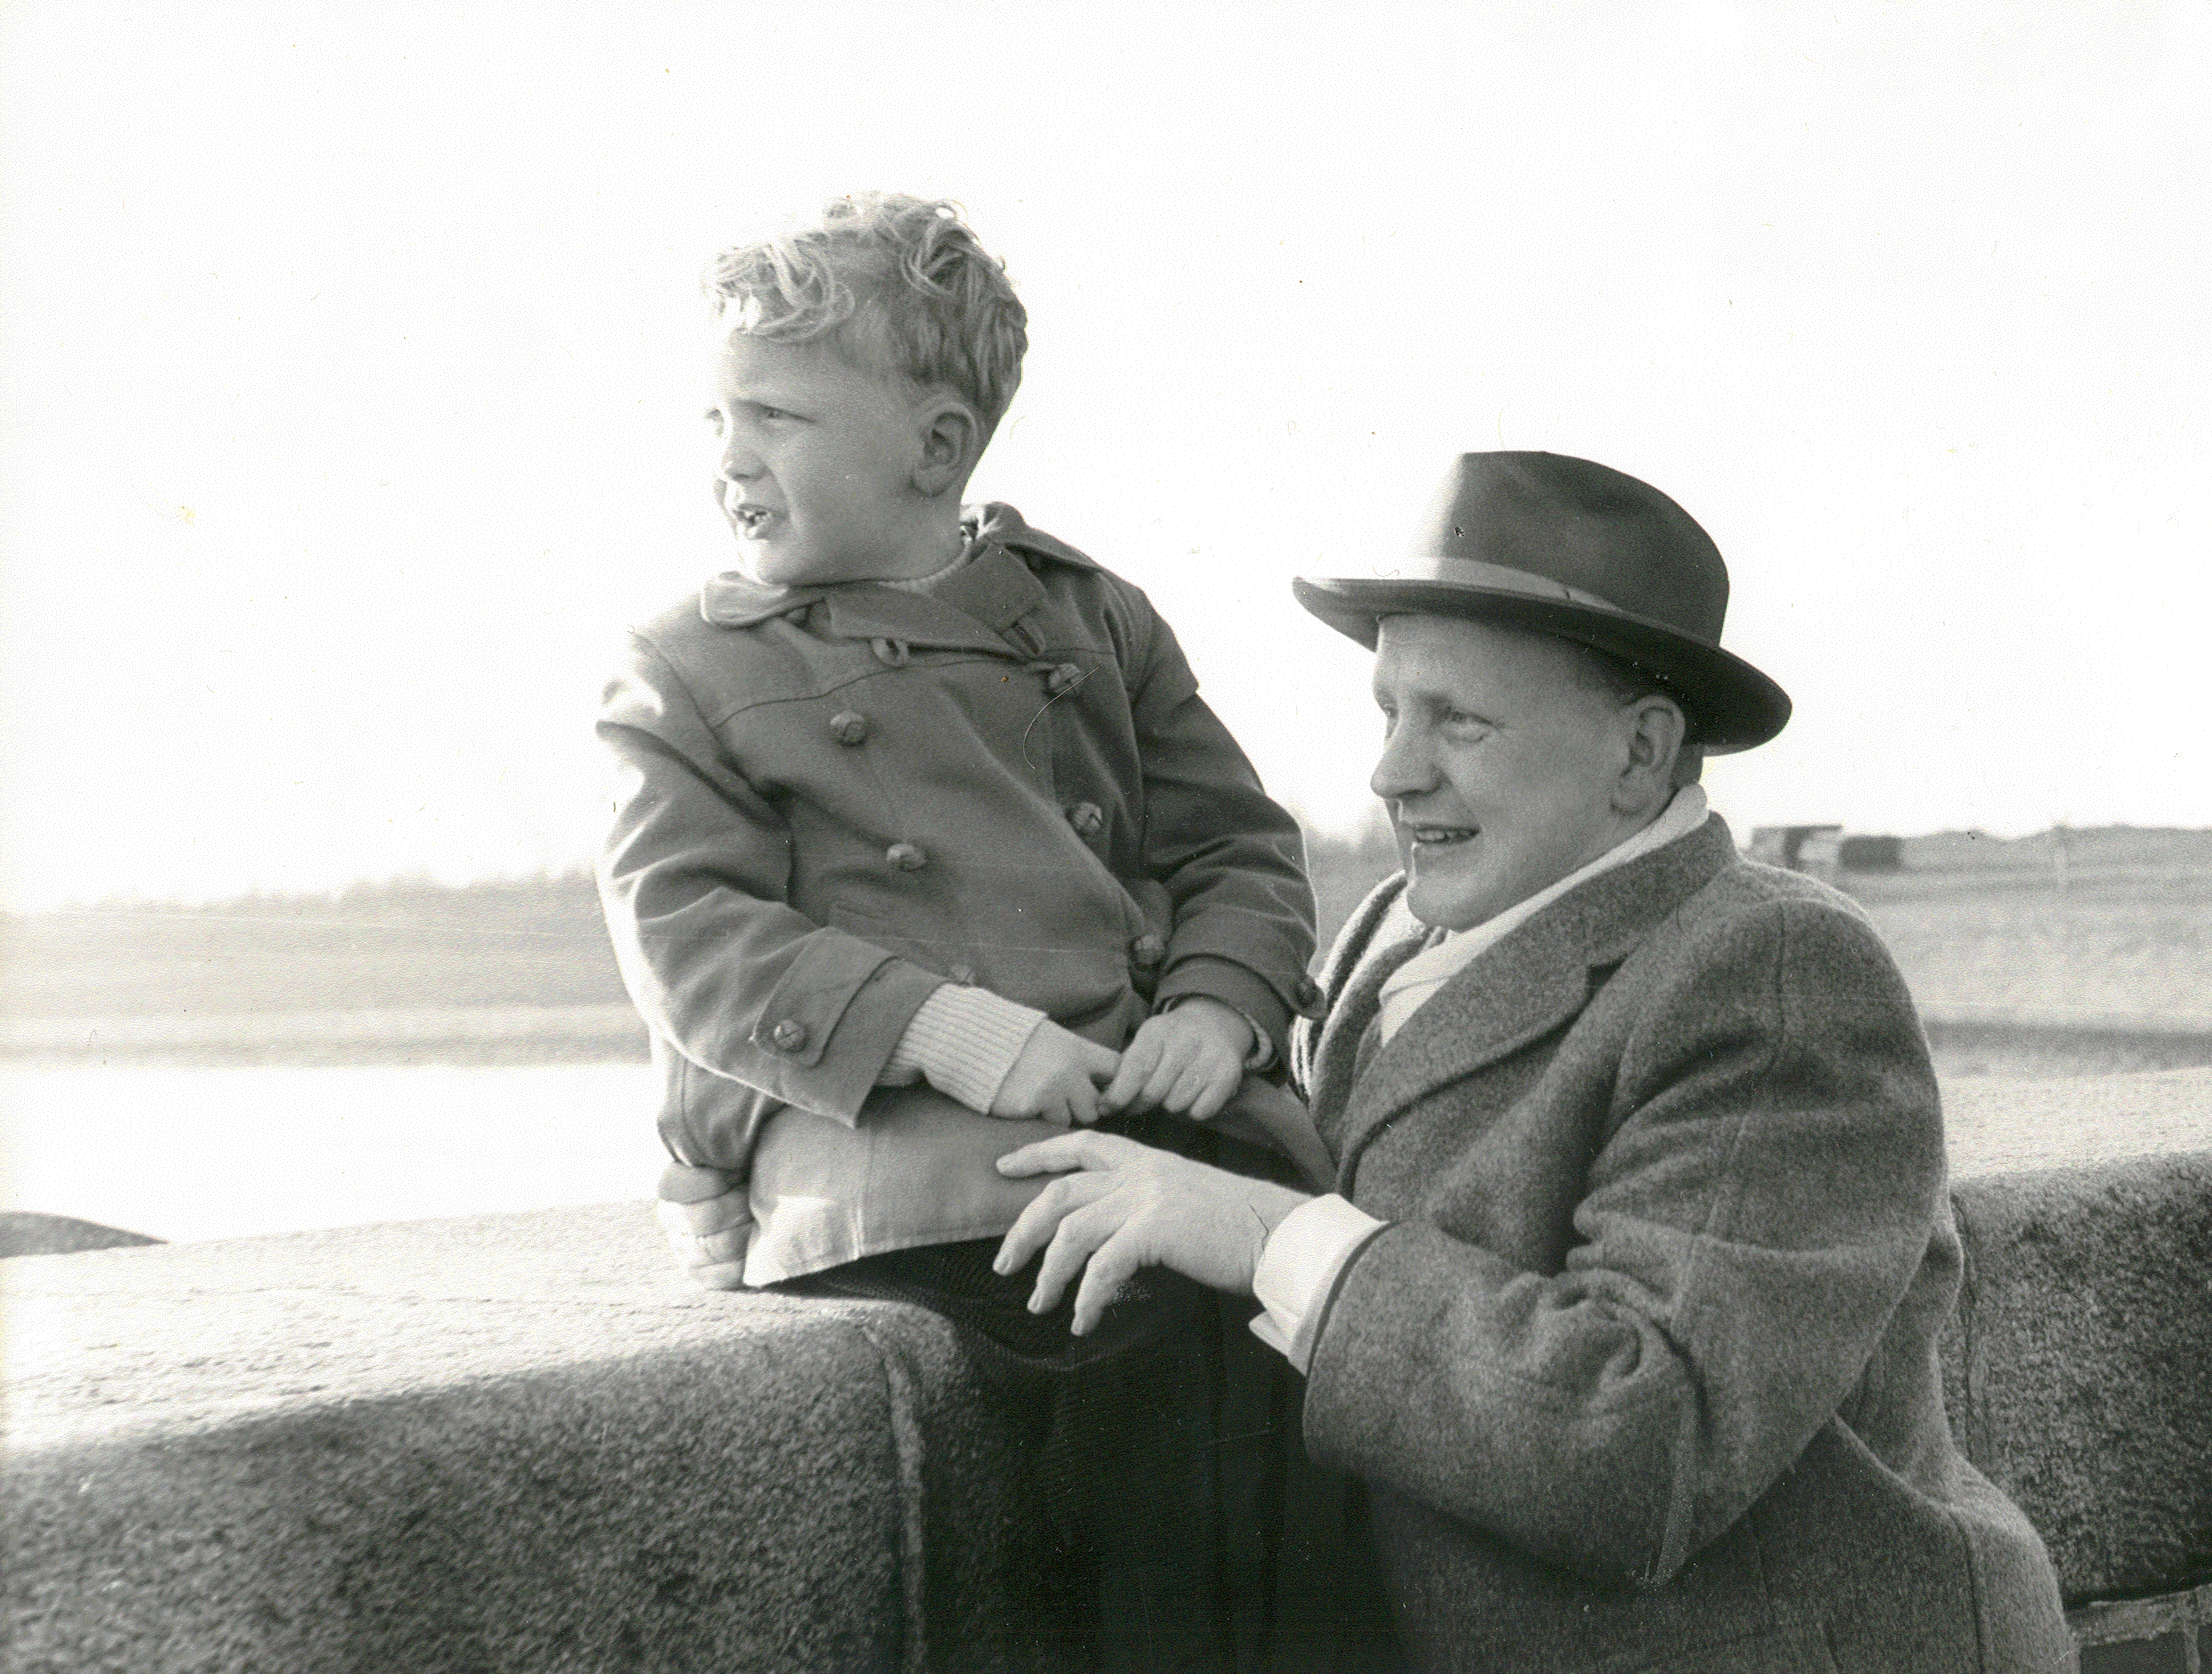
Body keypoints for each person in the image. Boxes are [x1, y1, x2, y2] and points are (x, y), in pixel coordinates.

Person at [996, 452, 2073, 1672]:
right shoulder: (1392, 933)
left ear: (1641, 753)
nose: (1392, 771)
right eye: (1389, 711)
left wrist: (1267, 1235)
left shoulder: (1769, 965)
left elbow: (1645, 1441)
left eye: (1459, 719)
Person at [593, 193, 1321, 1667]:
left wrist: (1217, 1006)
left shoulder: (1092, 620)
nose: (732, 456)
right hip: (920, 1182)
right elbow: (687, 931)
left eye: (780, 416)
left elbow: (1235, 843)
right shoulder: (687, 667)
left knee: (1311, 1399)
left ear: (935, 446)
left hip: (1172, 1132)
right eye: (718, 415)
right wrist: (955, 1031)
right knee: (1131, 1450)